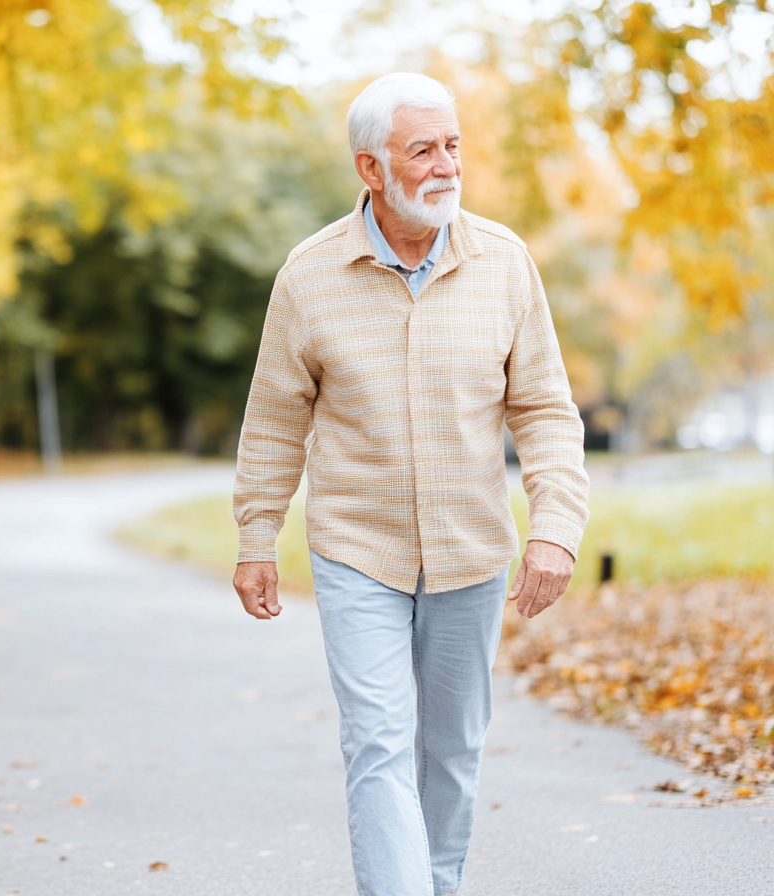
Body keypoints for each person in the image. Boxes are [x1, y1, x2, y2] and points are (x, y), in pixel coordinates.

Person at [230, 72, 590, 896]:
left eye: (453, 146)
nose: (444, 166)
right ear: (371, 169)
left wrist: (555, 527)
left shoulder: (504, 262)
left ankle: (436, 883)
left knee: (453, 749)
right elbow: (275, 420)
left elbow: (544, 409)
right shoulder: (309, 276)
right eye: (422, 150)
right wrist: (256, 537)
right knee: (379, 742)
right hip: (359, 550)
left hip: (471, 550)